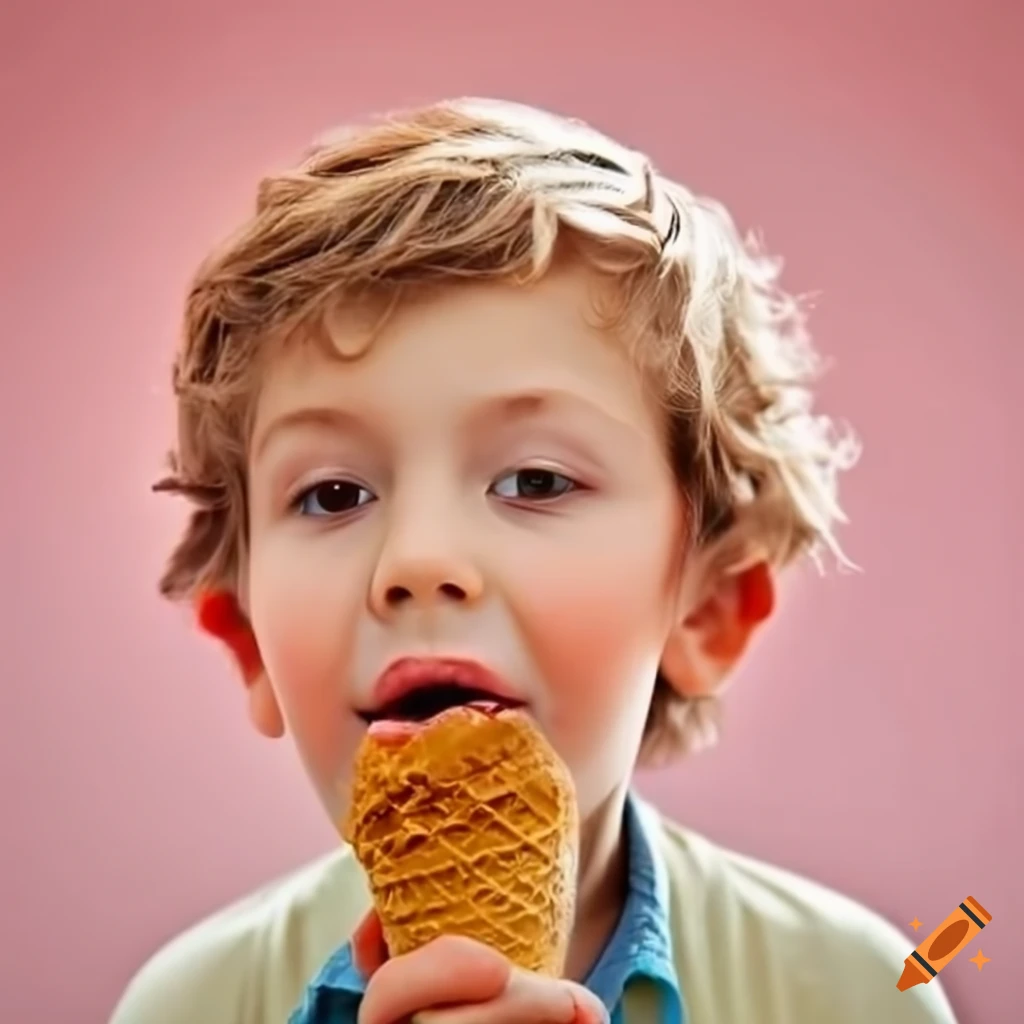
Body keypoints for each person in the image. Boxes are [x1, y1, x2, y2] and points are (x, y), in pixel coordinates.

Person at [110, 97, 957, 1023]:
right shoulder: (187, 1006)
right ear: (248, 644)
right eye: (334, 494)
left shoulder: (860, 993)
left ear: (707, 609)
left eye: (536, 480)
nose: (419, 559)